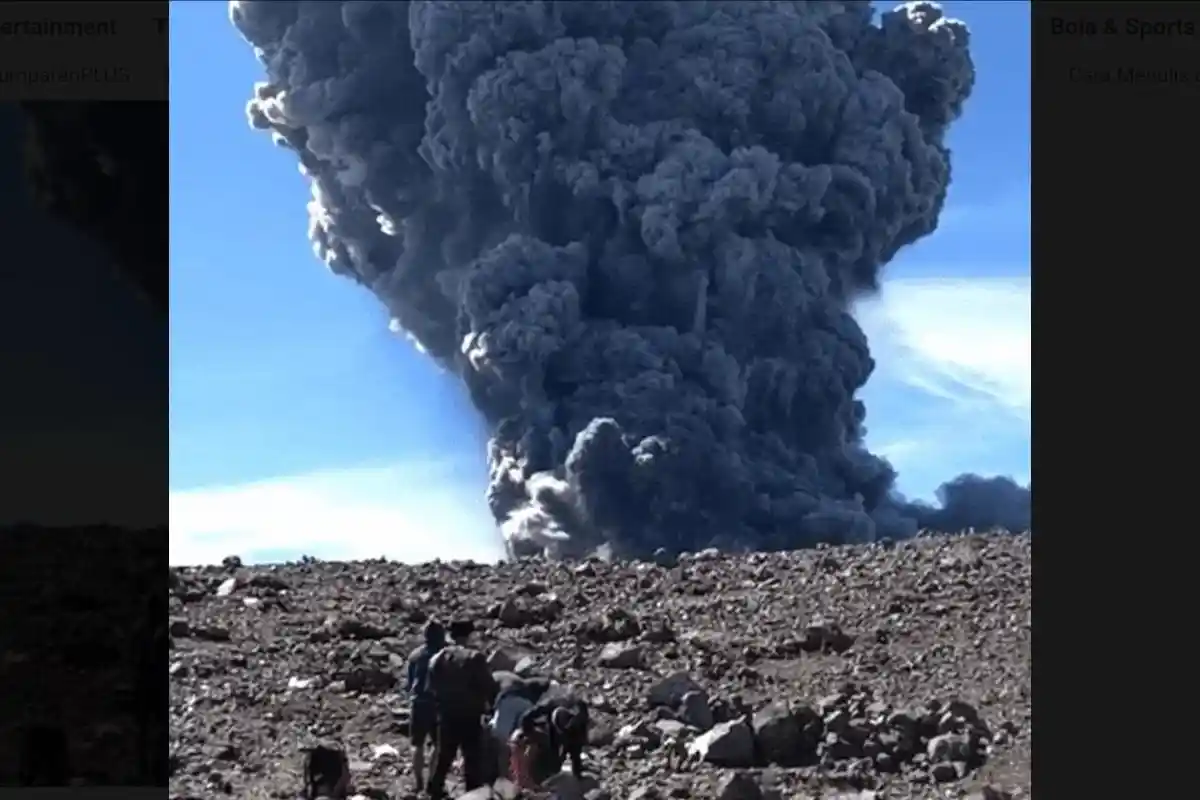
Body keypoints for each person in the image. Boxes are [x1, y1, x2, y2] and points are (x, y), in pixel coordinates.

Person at [425, 620, 498, 798]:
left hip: (446, 715)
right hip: (470, 716)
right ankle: (472, 794)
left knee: (444, 757)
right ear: (469, 635)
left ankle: (433, 791)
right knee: (472, 758)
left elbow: (430, 688)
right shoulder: (475, 658)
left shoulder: (437, 658)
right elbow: (489, 686)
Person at [406, 620, 447, 792]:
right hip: (437, 704)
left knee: (417, 744)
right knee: (437, 745)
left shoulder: (415, 655)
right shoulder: (444, 654)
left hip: (418, 702)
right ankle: (431, 781)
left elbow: (409, 683)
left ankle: (418, 783)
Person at [513, 693, 590, 784]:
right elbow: (527, 717)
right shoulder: (551, 704)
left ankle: (572, 770)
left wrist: (577, 770)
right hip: (552, 731)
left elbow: (578, 746)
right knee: (553, 755)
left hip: (573, 733)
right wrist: (529, 731)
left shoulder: (580, 718)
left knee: (573, 748)